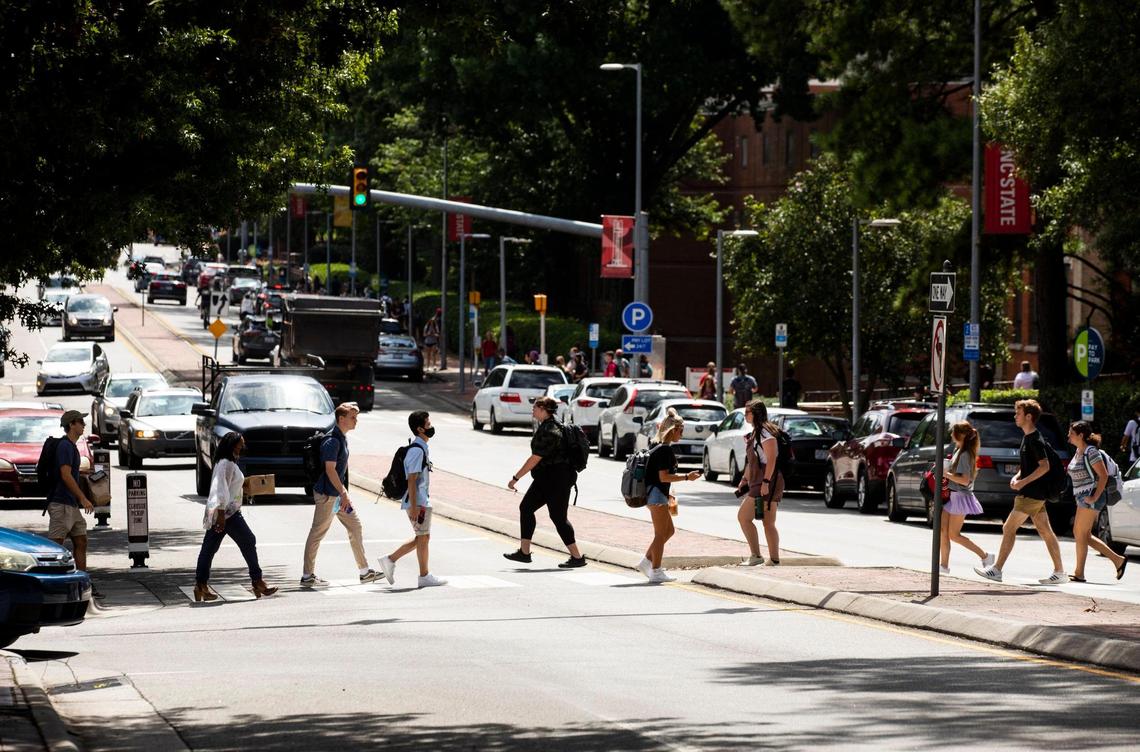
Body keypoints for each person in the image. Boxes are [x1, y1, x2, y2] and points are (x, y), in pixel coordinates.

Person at [975, 399, 1066, 584]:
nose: (1015, 416)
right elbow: (1029, 465)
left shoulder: (1035, 440)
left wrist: (1023, 481)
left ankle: (997, 570)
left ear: (1029, 416)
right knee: (1045, 530)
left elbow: (1044, 466)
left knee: (1009, 527)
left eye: (1018, 413)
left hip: (1032, 493)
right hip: (1034, 493)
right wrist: (1016, 477)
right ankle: (1060, 572)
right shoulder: (1028, 437)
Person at [300, 402, 381, 587]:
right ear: (341, 419)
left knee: (355, 526)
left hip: (336, 495)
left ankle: (364, 571)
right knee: (317, 533)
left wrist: (342, 494)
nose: (356, 420)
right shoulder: (333, 441)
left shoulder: (341, 438)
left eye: (356, 417)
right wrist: (343, 493)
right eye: (353, 417)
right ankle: (307, 575)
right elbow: (330, 470)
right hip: (328, 495)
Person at [194, 432, 278, 602]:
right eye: (240, 444)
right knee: (248, 540)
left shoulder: (228, 462)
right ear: (232, 445)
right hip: (226, 514)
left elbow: (229, 486)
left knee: (209, 549)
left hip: (223, 512)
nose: (242, 447)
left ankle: (200, 585)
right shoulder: (226, 464)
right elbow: (220, 489)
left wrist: (244, 486)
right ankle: (257, 581)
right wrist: (221, 515)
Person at [504, 396, 587, 568]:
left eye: (535, 407)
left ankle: (577, 557)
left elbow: (535, 458)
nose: (532, 410)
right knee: (526, 508)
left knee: (558, 517)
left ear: (543, 409)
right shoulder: (548, 426)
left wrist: (515, 478)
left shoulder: (551, 430)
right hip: (546, 478)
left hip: (557, 480)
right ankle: (524, 552)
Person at [378, 411, 446, 588]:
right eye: (428, 424)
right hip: (418, 501)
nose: (431, 427)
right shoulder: (416, 451)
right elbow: (412, 479)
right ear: (420, 428)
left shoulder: (421, 447)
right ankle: (422, 575)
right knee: (423, 537)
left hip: (421, 500)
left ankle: (390, 560)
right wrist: (415, 506)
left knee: (423, 537)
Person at [637, 408, 702, 583]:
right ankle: (656, 570)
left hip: (656, 494)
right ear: (673, 430)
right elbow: (663, 476)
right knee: (660, 534)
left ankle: (646, 561)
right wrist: (687, 477)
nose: (682, 434)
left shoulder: (656, 445)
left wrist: (669, 494)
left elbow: (660, 477)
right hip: (656, 496)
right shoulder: (665, 450)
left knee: (669, 531)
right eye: (681, 431)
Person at [1066, 421, 1127, 582]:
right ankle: (1117, 560)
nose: (1068, 436)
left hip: (1091, 496)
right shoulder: (1079, 451)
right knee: (1082, 534)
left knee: (1081, 534)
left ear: (1080, 435)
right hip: (1082, 496)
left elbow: (1104, 475)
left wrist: (1093, 497)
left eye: (1071, 433)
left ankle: (1080, 572)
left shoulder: (1091, 452)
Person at [46, 411, 96, 583]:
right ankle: (52, 583)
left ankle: (83, 581)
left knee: (81, 540)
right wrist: (83, 498)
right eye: (81, 422)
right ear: (71, 424)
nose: (84, 425)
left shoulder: (72, 447)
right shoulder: (65, 447)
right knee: (54, 547)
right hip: (61, 503)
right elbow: (65, 475)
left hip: (70, 504)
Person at [939, 421, 993, 575]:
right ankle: (943, 566)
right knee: (943, 531)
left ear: (959, 435)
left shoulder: (964, 454)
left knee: (953, 535)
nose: (951, 435)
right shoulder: (960, 450)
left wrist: (946, 474)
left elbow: (965, 479)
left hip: (960, 497)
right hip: (953, 495)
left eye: (953, 432)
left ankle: (985, 556)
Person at [736, 400, 783, 566]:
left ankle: (759, 556)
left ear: (755, 413)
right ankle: (772, 559)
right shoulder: (757, 433)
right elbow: (752, 461)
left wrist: (765, 482)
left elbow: (772, 459)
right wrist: (744, 480)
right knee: (767, 522)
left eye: (747, 412)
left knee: (745, 517)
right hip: (760, 481)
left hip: (767, 482)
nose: (745, 415)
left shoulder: (765, 433)